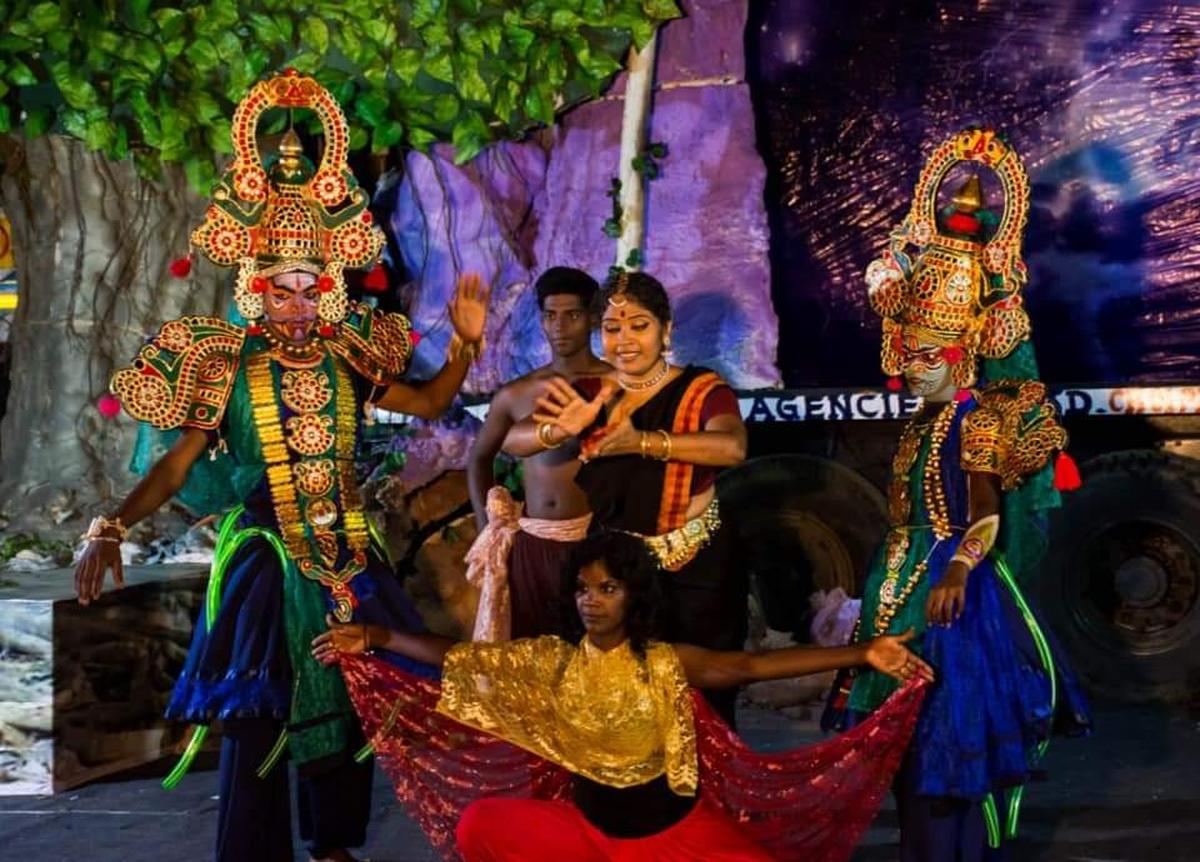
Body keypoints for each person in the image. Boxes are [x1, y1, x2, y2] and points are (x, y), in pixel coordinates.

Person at [71, 71, 488, 862]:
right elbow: (176, 464)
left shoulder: (349, 356)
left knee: (355, 694)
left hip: (343, 554)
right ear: (255, 289)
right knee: (261, 711)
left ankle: (333, 847)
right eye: (280, 287)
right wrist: (111, 524)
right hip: (267, 558)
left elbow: (431, 402)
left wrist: (465, 345)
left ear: (328, 288)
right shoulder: (224, 362)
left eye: (309, 286)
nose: (296, 301)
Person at [315, 530, 933, 861]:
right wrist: (376, 635)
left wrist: (862, 652)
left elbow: (746, 664)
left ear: (632, 596)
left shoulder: (664, 662)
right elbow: (459, 659)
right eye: (584, 590)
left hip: (670, 842)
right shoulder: (552, 661)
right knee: (482, 826)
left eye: (608, 588)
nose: (593, 600)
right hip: (586, 838)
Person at [827, 128, 1091, 862]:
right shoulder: (925, 420)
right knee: (912, 755)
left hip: (952, 600)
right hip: (906, 583)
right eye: (908, 355)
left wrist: (957, 568)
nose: (913, 368)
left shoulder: (976, 422)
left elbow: (985, 514)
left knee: (949, 752)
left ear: (964, 352)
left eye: (928, 357)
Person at [502, 271, 749, 725]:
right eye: (613, 328)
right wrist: (557, 429)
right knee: (626, 699)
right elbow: (512, 441)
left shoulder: (702, 388)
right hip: (621, 574)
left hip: (697, 568)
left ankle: (704, 794)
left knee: (703, 702)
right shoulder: (592, 392)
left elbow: (732, 447)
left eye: (639, 325)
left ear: (666, 330)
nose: (625, 340)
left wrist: (643, 443)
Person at [464, 266, 611, 641]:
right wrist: (488, 530)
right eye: (550, 315)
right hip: (533, 545)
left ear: (592, 318)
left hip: (598, 541)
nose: (560, 326)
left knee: (595, 659)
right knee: (532, 659)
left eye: (572, 315)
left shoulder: (617, 385)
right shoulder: (517, 394)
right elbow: (480, 458)